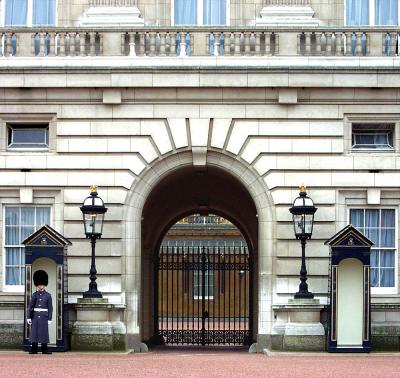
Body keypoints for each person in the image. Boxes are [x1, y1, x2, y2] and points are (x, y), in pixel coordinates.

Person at [27, 270, 53, 354]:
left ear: (44, 284)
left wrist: (49, 318)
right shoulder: (34, 295)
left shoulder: (48, 295)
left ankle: (44, 349)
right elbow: (30, 306)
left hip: (44, 315)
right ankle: (34, 348)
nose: (40, 286)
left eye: (41, 284)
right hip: (35, 315)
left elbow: (50, 307)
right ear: (37, 284)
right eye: (39, 284)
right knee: (34, 332)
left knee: (43, 332)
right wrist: (28, 317)